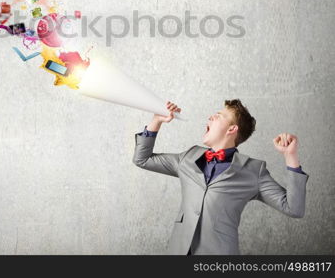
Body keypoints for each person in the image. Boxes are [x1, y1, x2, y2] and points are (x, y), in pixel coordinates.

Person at [132, 99, 308, 255]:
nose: (210, 117)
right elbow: (142, 159)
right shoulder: (188, 157)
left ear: (232, 129)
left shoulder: (253, 171)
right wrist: (156, 121)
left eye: (218, 115)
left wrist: (290, 156)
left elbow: (294, 208)